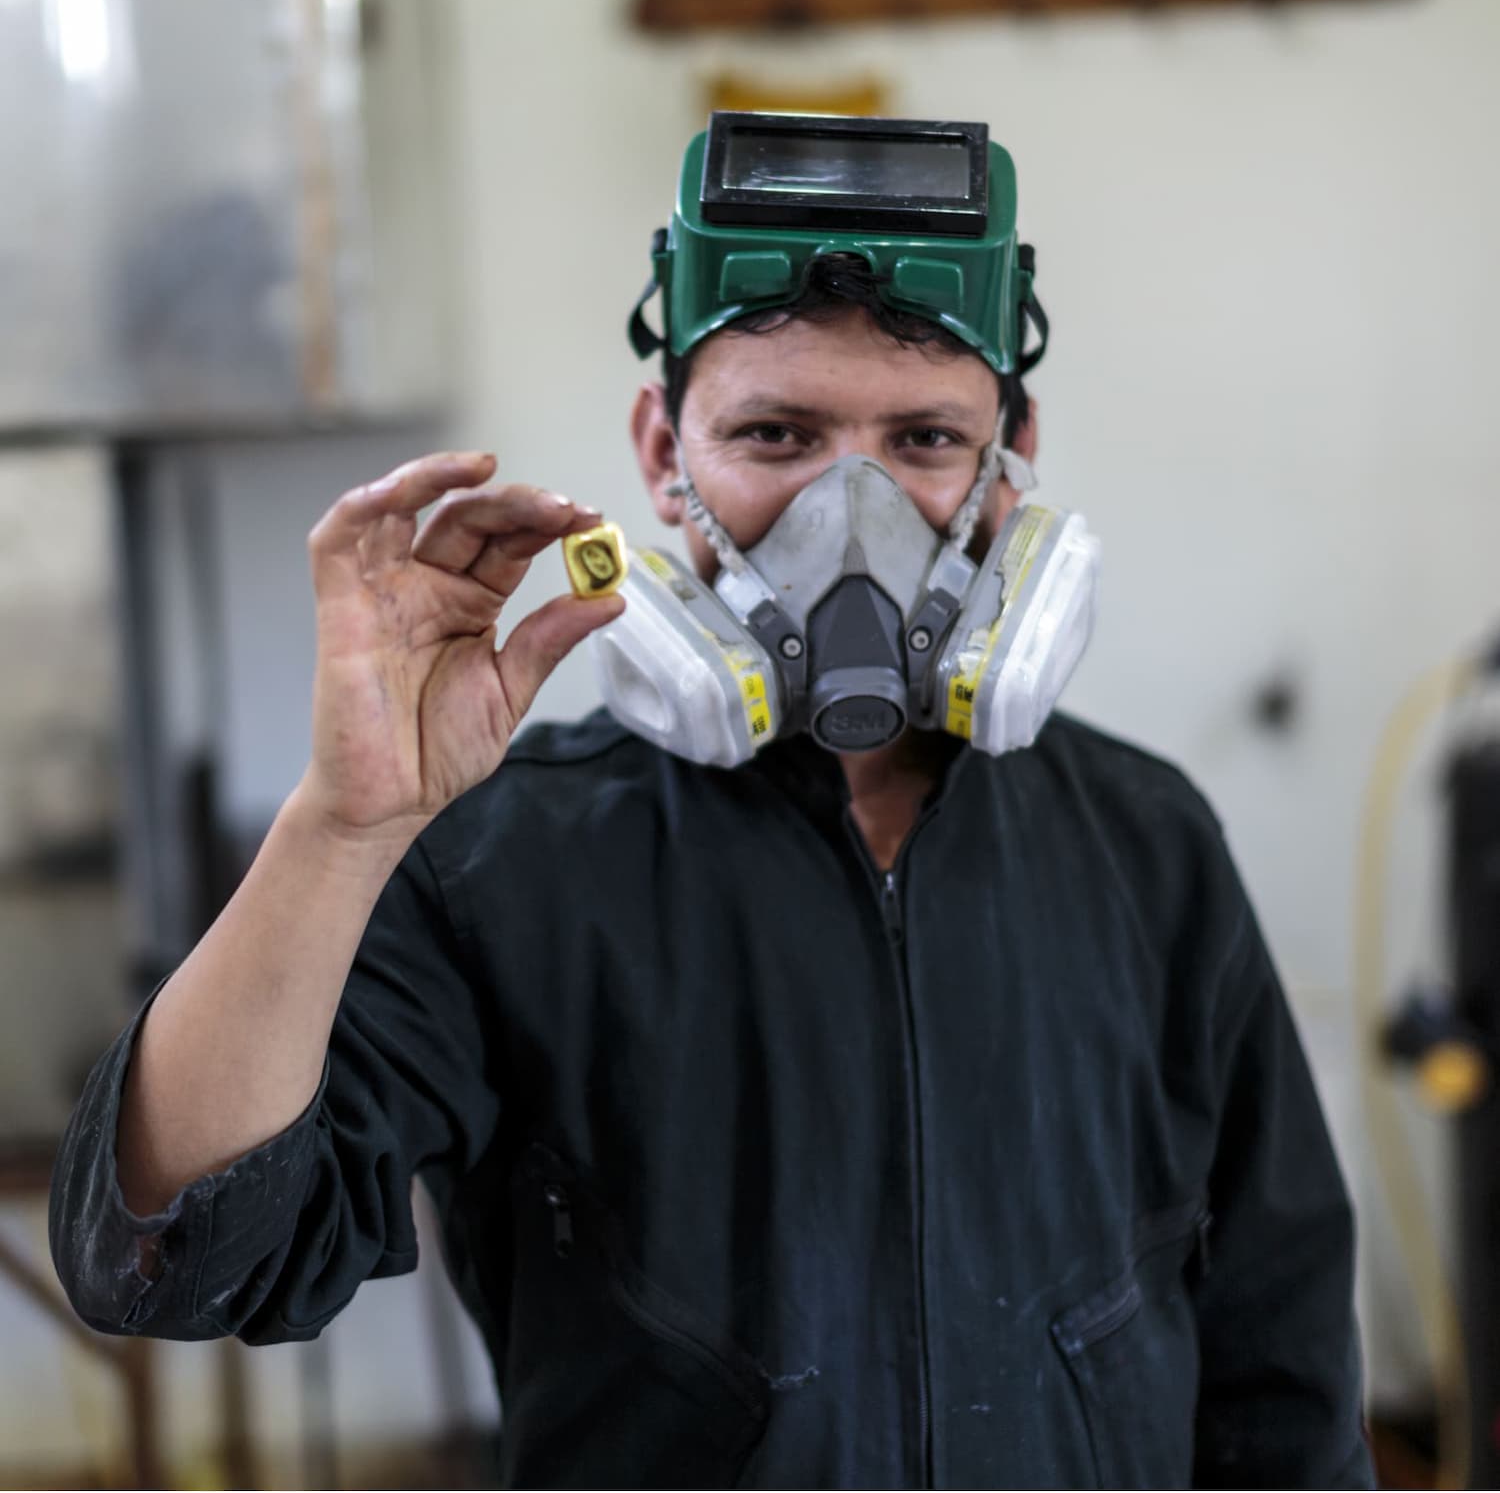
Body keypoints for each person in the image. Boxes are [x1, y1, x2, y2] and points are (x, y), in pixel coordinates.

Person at [50, 115, 1371, 1488]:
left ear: (1011, 458)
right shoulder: (504, 863)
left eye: (924, 439)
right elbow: (170, 1259)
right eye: (776, 434)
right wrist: (346, 823)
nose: (845, 513)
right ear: (662, 449)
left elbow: (1284, 1373)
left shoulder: (1150, 848)